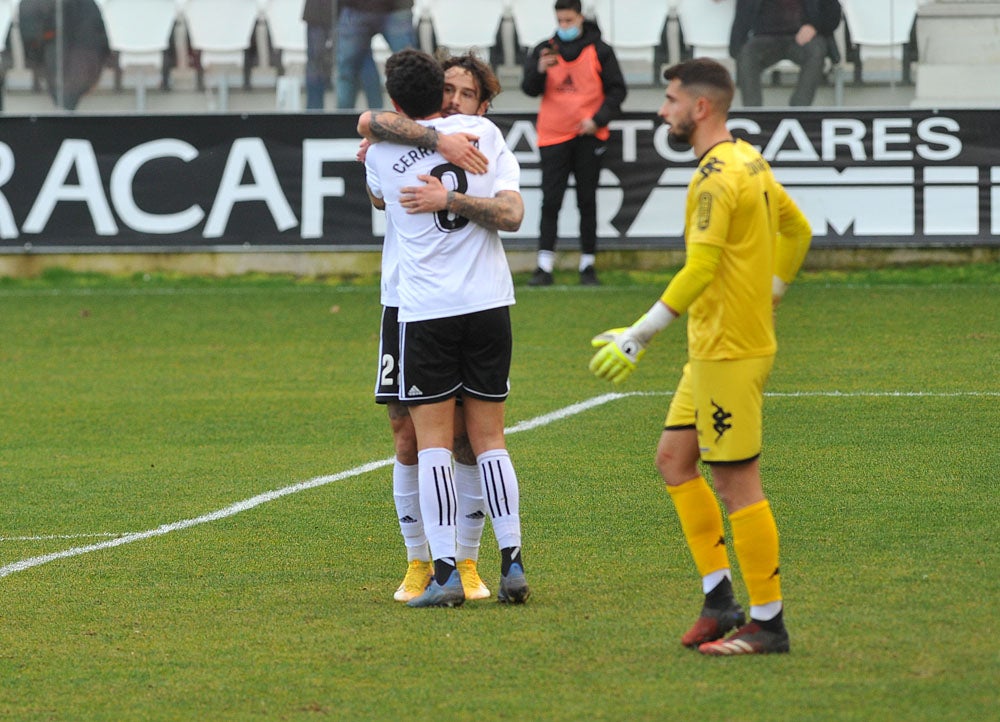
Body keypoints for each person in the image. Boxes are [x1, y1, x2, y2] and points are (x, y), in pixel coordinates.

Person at [589, 58, 811, 655]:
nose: (663, 110)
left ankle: (768, 623)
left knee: (738, 485)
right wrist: (774, 292)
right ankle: (720, 600)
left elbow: (701, 267)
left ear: (700, 107)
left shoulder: (715, 177)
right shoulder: (750, 161)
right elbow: (800, 231)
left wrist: (637, 335)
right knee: (673, 460)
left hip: (728, 354)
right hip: (716, 350)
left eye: (669, 99)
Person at [363, 48, 529, 608]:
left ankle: (454, 568)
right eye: (450, 89)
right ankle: (479, 563)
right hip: (437, 300)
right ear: (439, 94)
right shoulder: (479, 135)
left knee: (449, 440)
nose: (457, 99)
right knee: (416, 434)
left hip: (428, 307)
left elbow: (374, 150)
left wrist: (432, 178)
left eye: (467, 91)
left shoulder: (388, 143)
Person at [521, 0, 627, 287]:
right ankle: (544, 267)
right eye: (560, 21)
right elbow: (529, 88)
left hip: (588, 136)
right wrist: (539, 69)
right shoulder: (545, 48)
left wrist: (598, 119)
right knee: (550, 201)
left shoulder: (601, 50)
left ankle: (588, 265)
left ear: (580, 17)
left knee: (587, 200)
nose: (564, 26)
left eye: (569, 20)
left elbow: (618, 91)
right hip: (553, 135)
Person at [729, 0, 842, 107]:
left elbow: (833, 14)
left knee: (816, 49)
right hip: (764, 38)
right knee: (746, 52)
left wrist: (814, 27)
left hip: (801, 39)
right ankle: (752, 113)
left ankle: (799, 110)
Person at [335, 0, 416, 110]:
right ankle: (342, 122)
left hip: (396, 8)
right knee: (347, 72)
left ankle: (416, 121)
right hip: (357, 8)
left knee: (412, 68)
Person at [303, 0, 381, 110]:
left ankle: (314, 116)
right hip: (350, 10)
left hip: (346, 10)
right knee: (363, 59)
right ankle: (377, 112)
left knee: (317, 64)